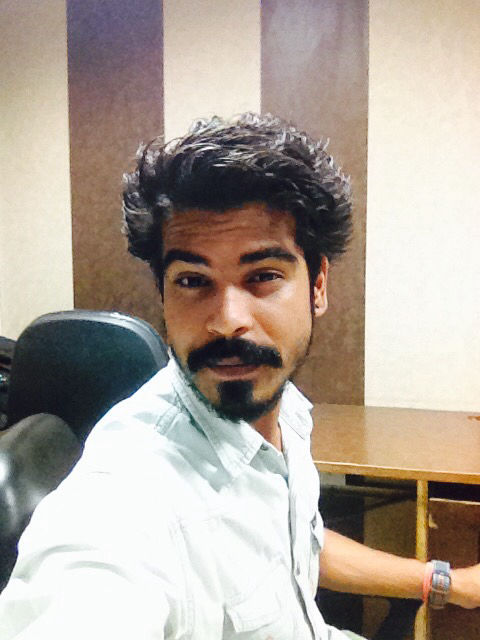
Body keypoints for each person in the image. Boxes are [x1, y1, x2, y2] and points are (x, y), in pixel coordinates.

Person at [1, 113, 480, 640]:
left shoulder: (285, 411)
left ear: (318, 284)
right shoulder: (127, 497)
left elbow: (294, 542)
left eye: (263, 276)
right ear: (163, 294)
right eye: (192, 280)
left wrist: (445, 582)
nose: (228, 320)